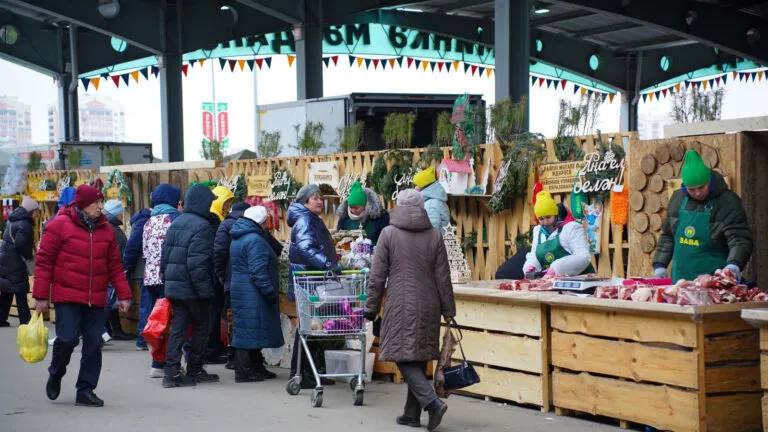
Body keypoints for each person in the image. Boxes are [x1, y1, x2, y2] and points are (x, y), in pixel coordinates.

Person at [364, 189, 455, 431]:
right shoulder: (434, 235)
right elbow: (443, 277)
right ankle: (410, 415)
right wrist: (449, 310)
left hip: (400, 303)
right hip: (430, 304)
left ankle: (432, 404)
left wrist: (371, 307)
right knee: (417, 356)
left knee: (401, 354)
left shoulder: (388, 234)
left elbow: (377, 276)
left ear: (399, 206)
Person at [33, 185, 132, 407]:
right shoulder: (58, 225)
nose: (100, 206)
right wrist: (40, 297)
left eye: (101, 202)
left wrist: (124, 295)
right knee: (67, 340)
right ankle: (56, 373)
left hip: (96, 298)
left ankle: (85, 390)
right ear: (83, 204)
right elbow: (44, 262)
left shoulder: (106, 230)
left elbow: (115, 266)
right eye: (96, 202)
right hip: (67, 296)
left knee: (93, 344)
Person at [654, 149, 753, 282]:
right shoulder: (678, 199)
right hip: (680, 283)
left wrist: (734, 264)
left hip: (714, 282)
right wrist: (660, 265)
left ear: (709, 181)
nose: (698, 193)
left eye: (701, 187)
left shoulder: (727, 201)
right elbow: (668, 236)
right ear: (684, 187)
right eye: (692, 189)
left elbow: (739, 239)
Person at [161, 184, 219, 388]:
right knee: (201, 328)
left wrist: (166, 281)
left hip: (175, 286)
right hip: (193, 288)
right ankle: (194, 369)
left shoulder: (176, 222)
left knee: (178, 330)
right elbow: (198, 264)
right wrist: (206, 292)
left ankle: (171, 373)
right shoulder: (202, 226)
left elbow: (164, 257)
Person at [287, 184, 338, 388]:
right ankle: (301, 373)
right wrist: (328, 264)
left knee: (311, 328)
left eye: (320, 197)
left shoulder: (310, 219)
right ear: (305, 201)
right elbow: (306, 248)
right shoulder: (305, 220)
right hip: (308, 280)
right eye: (315, 198)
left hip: (312, 279)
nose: (319, 201)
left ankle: (308, 371)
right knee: (308, 328)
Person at [228, 206, 284, 382]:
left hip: (242, 288)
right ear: (261, 222)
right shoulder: (255, 240)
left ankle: (255, 366)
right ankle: (244, 371)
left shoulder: (240, 236)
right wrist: (269, 291)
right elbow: (258, 271)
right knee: (247, 332)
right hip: (252, 291)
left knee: (250, 330)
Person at [141, 183, 182, 377]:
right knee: (174, 322)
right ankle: (171, 364)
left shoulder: (149, 221)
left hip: (151, 278)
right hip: (170, 277)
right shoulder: (175, 219)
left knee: (158, 321)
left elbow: (144, 251)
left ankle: (157, 363)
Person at [214, 201, 251, 369]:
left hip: (230, 280)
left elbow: (219, 253)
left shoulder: (225, 224)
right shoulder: (246, 226)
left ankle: (233, 356)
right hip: (241, 280)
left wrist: (222, 276)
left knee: (231, 319)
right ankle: (237, 358)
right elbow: (220, 252)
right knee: (238, 320)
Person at [523, 191, 593, 277]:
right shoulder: (538, 232)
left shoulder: (571, 228)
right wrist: (531, 266)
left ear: (555, 214)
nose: (545, 222)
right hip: (552, 282)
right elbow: (535, 255)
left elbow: (584, 256)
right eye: (541, 219)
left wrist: (557, 268)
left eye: (548, 217)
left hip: (581, 280)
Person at [206, 185, 235, 364]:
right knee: (213, 313)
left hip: (213, 275)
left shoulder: (217, 220)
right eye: (226, 203)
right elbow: (217, 251)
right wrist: (219, 275)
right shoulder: (214, 222)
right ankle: (211, 349)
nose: (227, 207)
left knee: (215, 313)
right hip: (213, 276)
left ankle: (214, 346)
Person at [0, 196, 39, 326]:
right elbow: (21, 245)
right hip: (15, 261)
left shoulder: (14, 219)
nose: (36, 214)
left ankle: (1, 318)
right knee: (20, 288)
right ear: (30, 211)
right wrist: (29, 256)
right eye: (35, 211)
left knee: (7, 290)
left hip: (6, 258)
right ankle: (25, 320)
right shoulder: (25, 224)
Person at [102, 199, 133, 341]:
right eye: (120, 214)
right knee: (108, 302)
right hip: (112, 271)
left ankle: (113, 330)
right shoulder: (112, 230)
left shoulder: (105, 226)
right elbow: (120, 254)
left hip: (106, 271)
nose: (122, 217)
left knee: (109, 301)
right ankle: (102, 331)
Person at [122, 206, 151, 349]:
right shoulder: (145, 222)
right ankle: (142, 339)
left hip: (141, 270)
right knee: (147, 305)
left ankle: (143, 339)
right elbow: (132, 247)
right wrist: (126, 266)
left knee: (146, 305)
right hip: (144, 270)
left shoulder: (139, 221)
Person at [335, 181, 389, 245]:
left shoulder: (380, 218)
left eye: (356, 208)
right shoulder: (344, 217)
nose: (353, 210)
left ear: (365, 205)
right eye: (351, 207)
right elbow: (339, 238)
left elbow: (385, 241)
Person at [412, 166, 450, 231]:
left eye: (417, 185)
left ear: (424, 186)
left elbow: (432, 230)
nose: (415, 188)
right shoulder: (434, 199)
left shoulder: (430, 205)